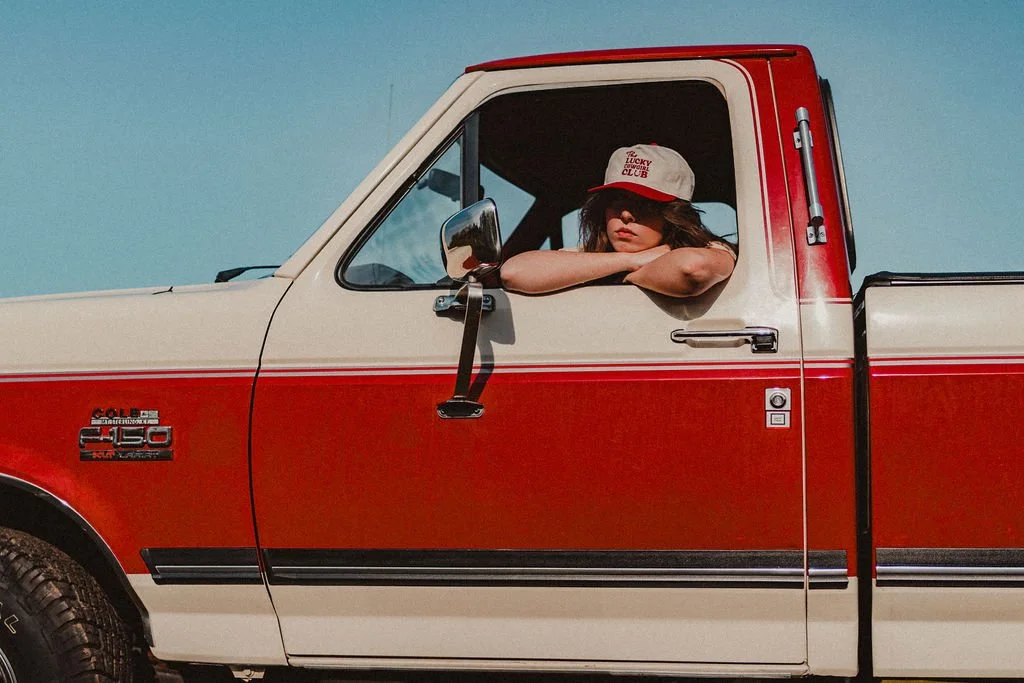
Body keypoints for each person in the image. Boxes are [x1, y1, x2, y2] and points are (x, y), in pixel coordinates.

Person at [500, 144, 736, 298]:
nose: (625, 215)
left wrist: (621, 273)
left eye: (645, 204)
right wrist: (630, 261)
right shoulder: (593, 255)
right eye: (615, 201)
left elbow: (691, 269)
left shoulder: (712, 250)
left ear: (673, 215)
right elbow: (513, 272)